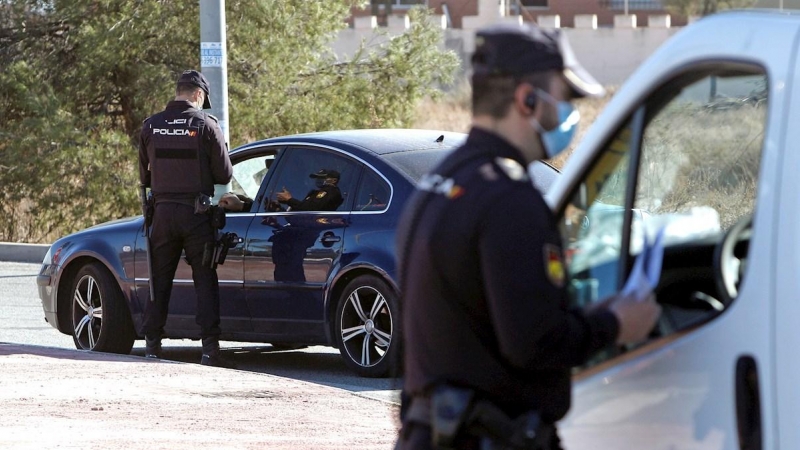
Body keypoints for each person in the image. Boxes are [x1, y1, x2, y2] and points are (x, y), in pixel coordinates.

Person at [394, 24, 661, 450]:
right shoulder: (509, 200)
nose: (571, 113)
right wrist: (615, 323)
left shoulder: (441, 182)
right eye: (566, 98)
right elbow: (535, 343)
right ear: (527, 99)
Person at [138, 70, 235, 369]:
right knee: (204, 280)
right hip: (196, 214)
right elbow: (225, 174)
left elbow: (144, 176)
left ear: (179, 91)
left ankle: (152, 346)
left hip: (163, 213)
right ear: (198, 94)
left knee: (160, 280)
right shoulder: (205, 125)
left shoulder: (151, 125)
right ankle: (209, 349)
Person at [218, 168, 343, 212]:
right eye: (317, 178)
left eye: (322, 178)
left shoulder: (331, 193)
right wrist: (279, 209)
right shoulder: (314, 193)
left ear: (333, 180)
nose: (318, 181)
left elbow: (309, 210)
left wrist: (289, 200)